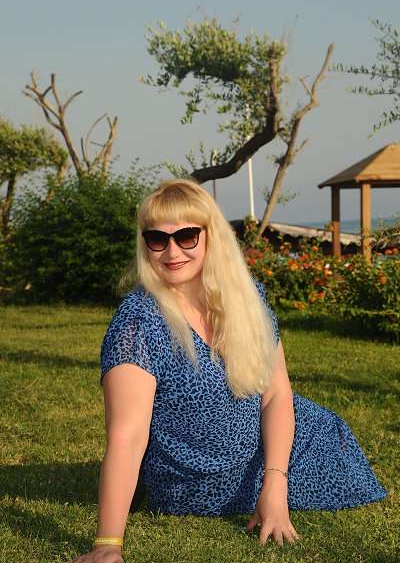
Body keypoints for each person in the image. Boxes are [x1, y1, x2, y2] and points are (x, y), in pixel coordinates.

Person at [72, 179, 387, 563]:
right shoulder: (139, 321)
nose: (172, 251)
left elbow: (276, 393)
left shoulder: (246, 296)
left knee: (337, 443)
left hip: (282, 445)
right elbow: (127, 435)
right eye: (157, 239)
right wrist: (108, 543)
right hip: (194, 483)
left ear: (212, 237)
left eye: (186, 236)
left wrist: (275, 485)